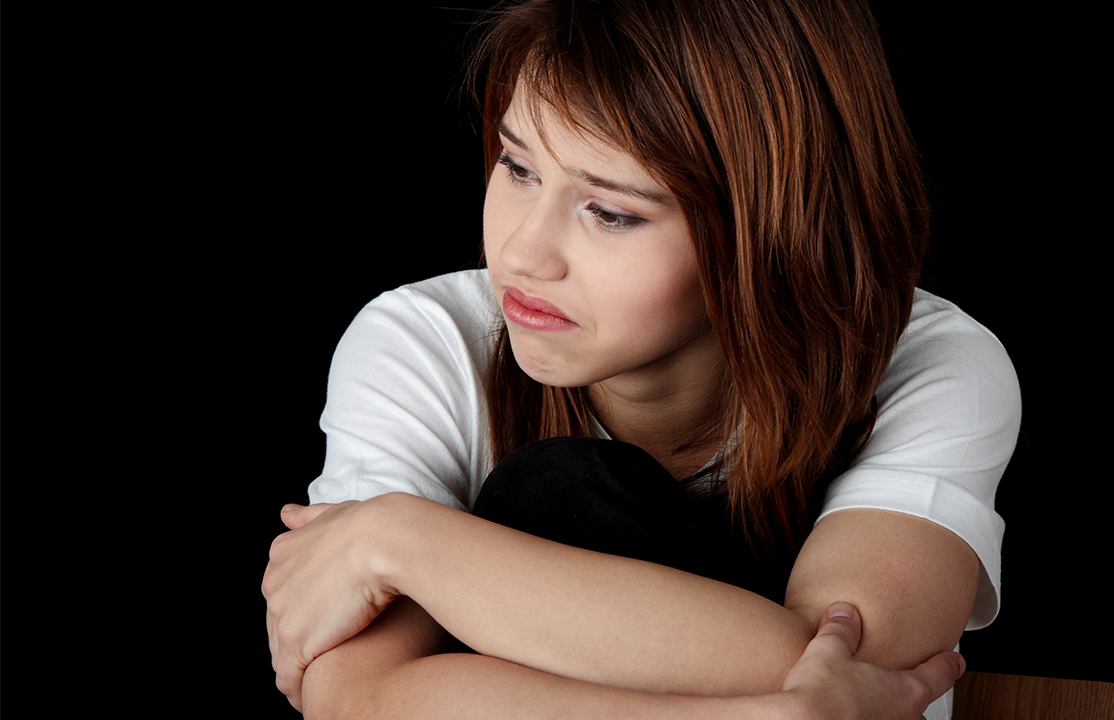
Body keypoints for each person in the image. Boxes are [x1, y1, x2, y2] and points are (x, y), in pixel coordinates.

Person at [262, 0, 1020, 717]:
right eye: (519, 168)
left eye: (611, 212)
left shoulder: (930, 366)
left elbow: (855, 668)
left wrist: (399, 539)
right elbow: (354, 696)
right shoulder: (424, 342)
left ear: (769, 230)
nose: (522, 254)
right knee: (552, 489)